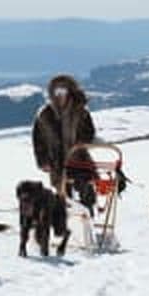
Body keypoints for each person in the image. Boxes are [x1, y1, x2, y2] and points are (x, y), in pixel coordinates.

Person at [32, 74, 96, 209]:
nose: (60, 95)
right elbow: (38, 141)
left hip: (79, 160)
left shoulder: (80, 111)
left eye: (63, 91)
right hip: (56, 162)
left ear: (70, 91)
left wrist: (82, 142)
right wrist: (43, 161)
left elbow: (89, 132)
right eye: (56, 91)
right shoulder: (44, 115)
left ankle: (88, 217)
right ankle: (66, 223)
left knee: (85, 190)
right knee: (63, 197)